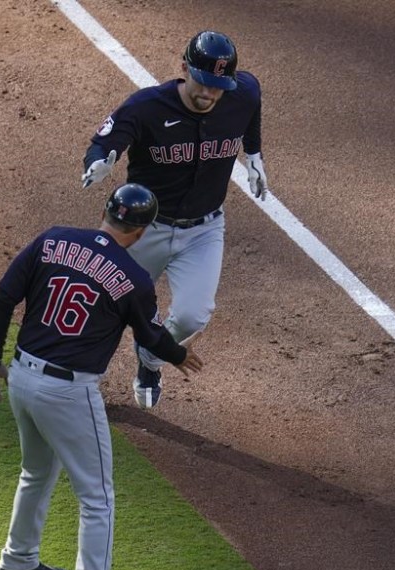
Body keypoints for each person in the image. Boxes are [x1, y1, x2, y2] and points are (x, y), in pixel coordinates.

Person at [0, 183, 204, 570]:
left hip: (21, 374)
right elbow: (152, 339)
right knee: (97, 500)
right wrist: (179, 357)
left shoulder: (52, 239)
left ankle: (17, 563)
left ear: (106, 213)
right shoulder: (133, 278)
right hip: (68, 392)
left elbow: (3, 298)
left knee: (36, 472)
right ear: (140, 232)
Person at [81, 30, 267, 410]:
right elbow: (107, 139)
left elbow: (252, 103)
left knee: (193, 315)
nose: (209, 95)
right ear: (184, 68)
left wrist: (254, 152)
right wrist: (100, 160)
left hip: (204, 230)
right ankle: (79, 381)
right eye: (202, 83)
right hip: (141, 231)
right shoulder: (148, 106)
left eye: (218, 87)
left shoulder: (240, 93)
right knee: (106, 307)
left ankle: (149, 360)